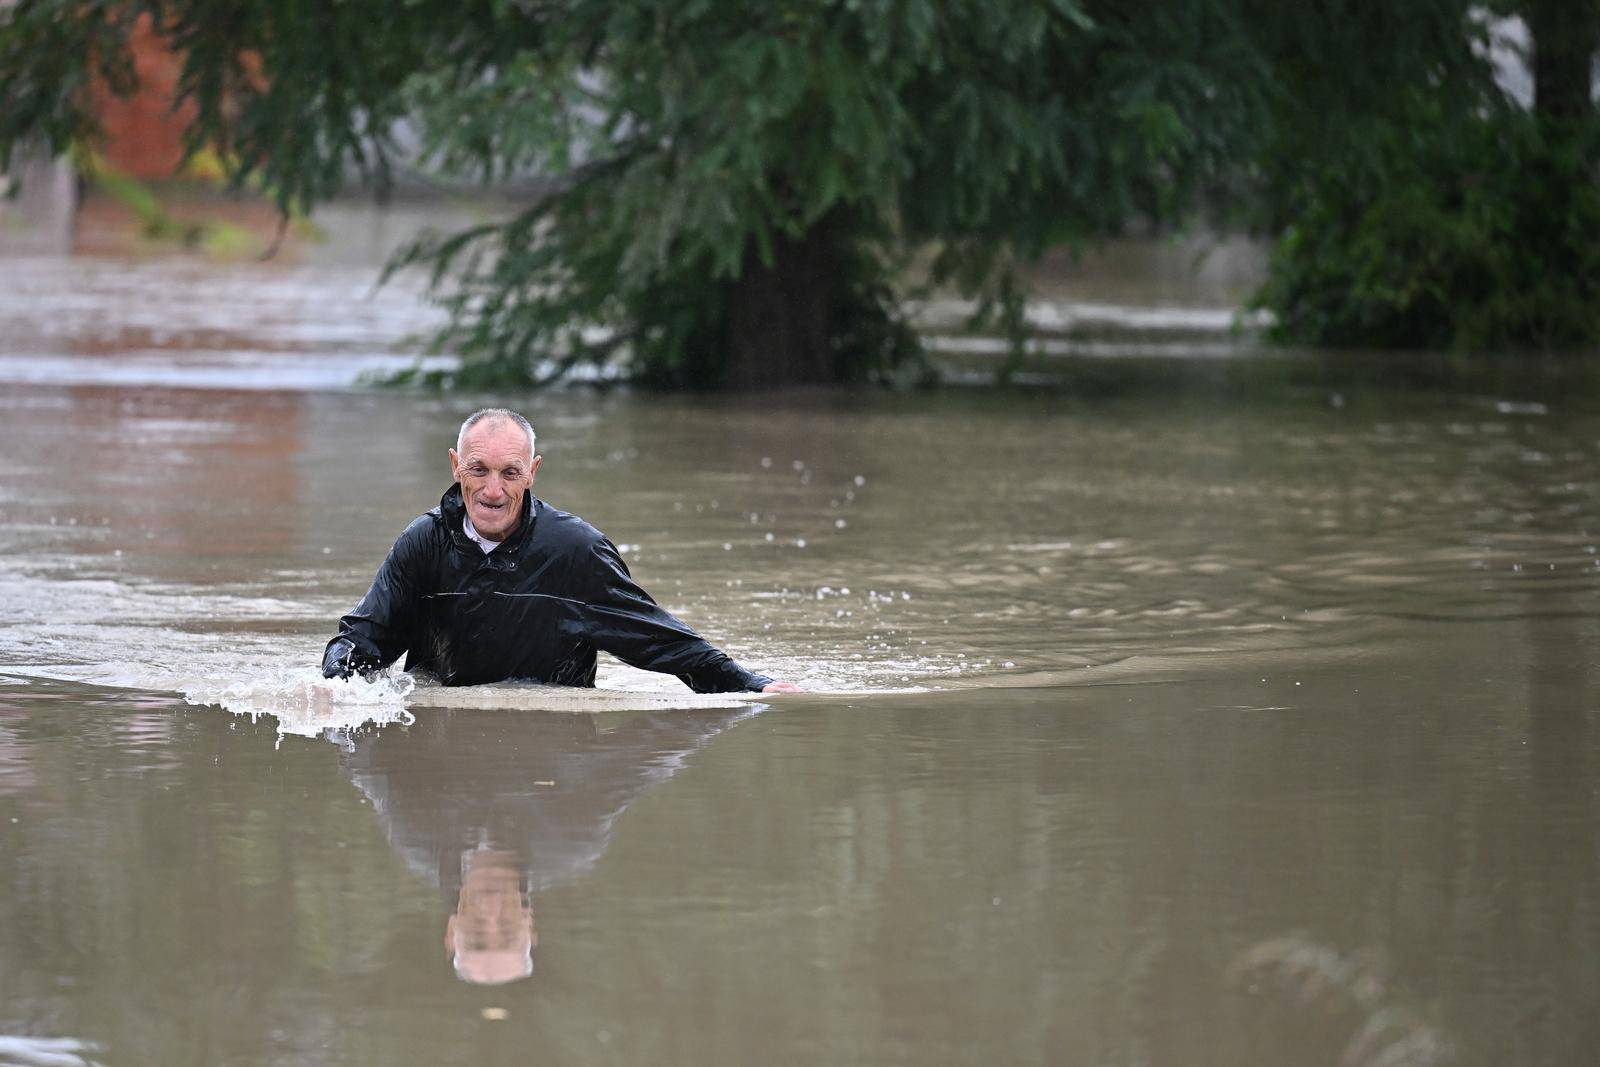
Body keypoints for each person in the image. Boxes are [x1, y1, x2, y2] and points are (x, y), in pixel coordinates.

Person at [322, 407, 799, 693]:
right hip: (444, 743)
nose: (492, 490)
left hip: (549, 747)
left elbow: (660, 641)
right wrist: (331, 688)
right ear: (455, 466)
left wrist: (753, 685)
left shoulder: (576, 552)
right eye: (478, 469)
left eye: (510, 473)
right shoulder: (421, 544)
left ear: (533, 472)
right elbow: (365, 640)